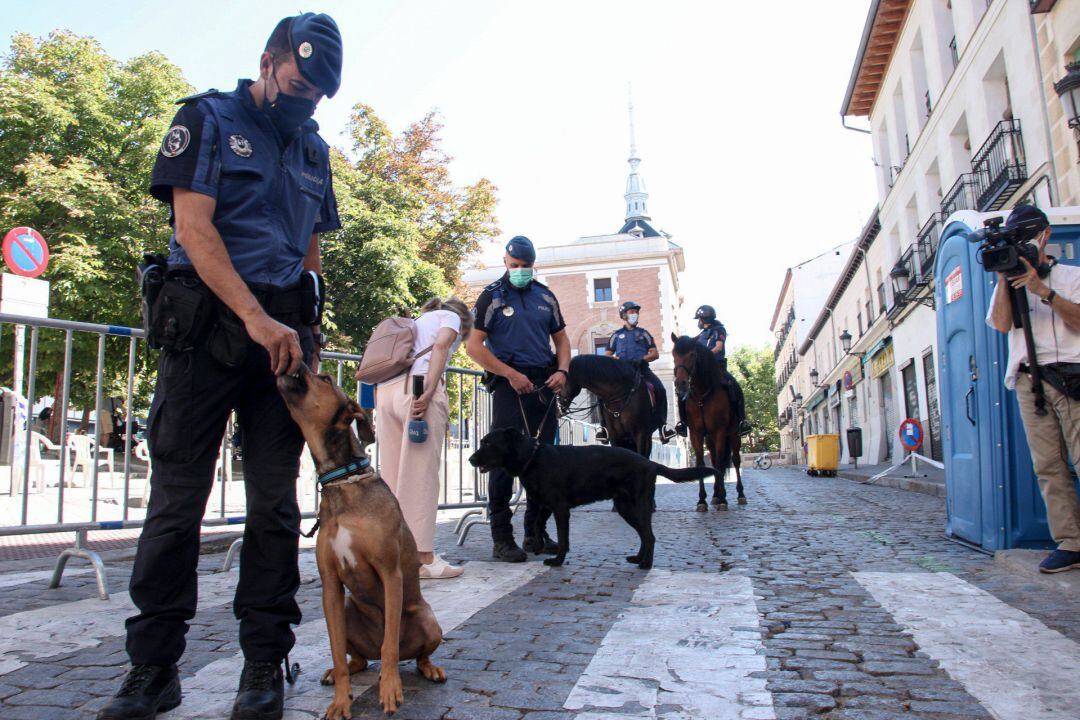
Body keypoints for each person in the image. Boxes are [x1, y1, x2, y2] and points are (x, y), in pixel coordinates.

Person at [98, 13, 342, 720]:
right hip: (206, 329)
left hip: (283, 344)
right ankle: (153, 669)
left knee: (274, 504)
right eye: (297, 84)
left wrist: (303, 325)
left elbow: (310, 250)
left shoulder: (314, 150)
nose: (305, 101)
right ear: (267, 62)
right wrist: (255, 317)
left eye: (318, 94)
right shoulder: (206, 119)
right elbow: (193, 228)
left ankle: (264, 661)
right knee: (177, 502)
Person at [986, 204, 1080, 574]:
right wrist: (1004, 278)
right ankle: (1071, 542)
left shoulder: (1071, 277)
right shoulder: (1008, 286)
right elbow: (1002, 323)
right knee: (1047, 465)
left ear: (1045, 236)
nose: (1025, 246)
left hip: (1072, 375)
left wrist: (1044, 291)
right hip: (1029, 379)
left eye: (1028, 238)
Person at [467, 235, 569, 562]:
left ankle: (535, 534)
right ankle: (502, 538)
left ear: (533, 265)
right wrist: (510, 374)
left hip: (543, 385)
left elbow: (563, 340)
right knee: (502, 461)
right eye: (515, 266)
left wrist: (563, 371)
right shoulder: (491, 297)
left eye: (526, 266)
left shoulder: (546, 296)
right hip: (509, 386)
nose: (520, 271)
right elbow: (474, 347)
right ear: (505, 263)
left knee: (544, 461)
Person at [376, 296, 473, 579]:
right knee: (420, 476)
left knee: (393, 477)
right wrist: (429, 391)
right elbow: (442, 346)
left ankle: (392, 553)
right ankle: (422, 559)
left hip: (387, 391)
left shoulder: (417, 321)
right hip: (417, 390)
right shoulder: (450, 318)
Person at [603, 300, 676, 444]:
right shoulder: (616, 336)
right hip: (622, 372)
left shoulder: (644, 334)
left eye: (636, 312)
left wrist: (642, 359)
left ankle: (663, 427)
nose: (635, 314)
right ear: (624, 315)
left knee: (660, 388)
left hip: (642, 370)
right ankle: (604, 429)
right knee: (602, 394)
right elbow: (607, 355)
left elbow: (655, 353)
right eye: (631, 312)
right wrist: (618, 361)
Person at [674, 304, 752, 437]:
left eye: (699, 319)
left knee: (734, 386)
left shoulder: (719, 330)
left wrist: (706, 357)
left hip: (717, 366)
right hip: (701, 370)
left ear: (703, 320)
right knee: (683, 392)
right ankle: (683, 423)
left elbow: (719, 347)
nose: (698, 322)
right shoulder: (700, 335)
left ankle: (741, 421)